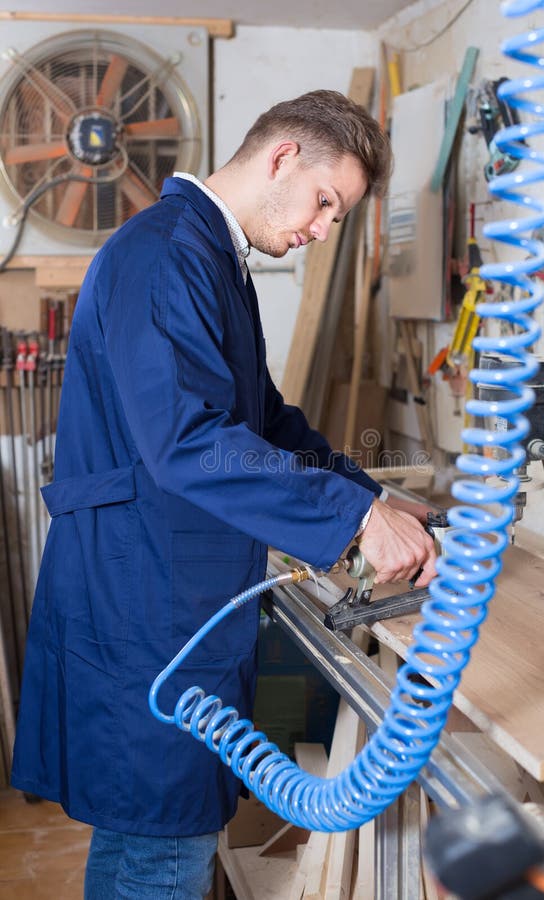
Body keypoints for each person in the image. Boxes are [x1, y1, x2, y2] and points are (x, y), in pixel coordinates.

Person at [11, 89, 436, 899]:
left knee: (146, 839)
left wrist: (371, 497)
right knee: (162, 848)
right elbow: (190, 442)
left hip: (164, 591)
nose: (322, 229)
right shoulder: (168, 255)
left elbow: (265, 422)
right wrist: (353, 520)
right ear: (282, 158)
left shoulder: (210, 259)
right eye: (325, 202)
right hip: (143, 601)